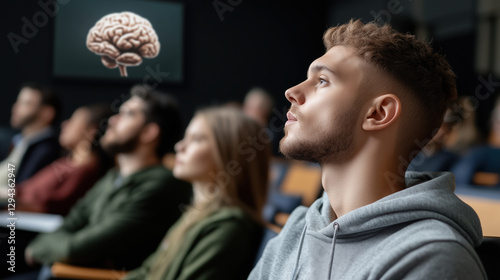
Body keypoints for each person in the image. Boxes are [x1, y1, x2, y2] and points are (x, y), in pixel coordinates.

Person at [249, 19, 486, 279]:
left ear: (378, 113)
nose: (291, 92)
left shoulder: (431, 259)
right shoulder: (297, 230)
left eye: (323, 81)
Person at [22, 87, 192, 278]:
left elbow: (77, 249)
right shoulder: (112, 177)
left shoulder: (161, 185)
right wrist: (42, 246)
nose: (112, 120)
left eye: (127, 114)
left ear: (149, 132)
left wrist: (38, 250)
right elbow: (69, 224)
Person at [123, 106, 270, 280]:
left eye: (196, 139)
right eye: (185, 138)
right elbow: (148, 271)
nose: (179, 146)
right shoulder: (196, 213)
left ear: (230, 154)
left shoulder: (227, 228)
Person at [16, 103, 114, 215]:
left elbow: (46, 208)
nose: (64, 124)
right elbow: (24, 190)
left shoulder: (84, 171)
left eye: (73, 121)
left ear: (91, 132)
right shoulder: (66, 162)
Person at [0, 83, 61, 194]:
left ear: (47, 113)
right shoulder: (17, 141)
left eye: (26, 103)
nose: (15, 107)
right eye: (18, 102)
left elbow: (23, 192)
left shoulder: (46, 150)